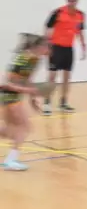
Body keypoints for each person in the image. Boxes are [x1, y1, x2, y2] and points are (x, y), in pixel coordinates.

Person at [0, 34, 49, 171]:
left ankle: (10, 160)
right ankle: (11, 161)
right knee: (24, 127)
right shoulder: (23, 58)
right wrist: (29, 91)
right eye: (46, 46)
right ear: (38, 47)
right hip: (8, 95)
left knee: (10, 130)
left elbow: (27, 79)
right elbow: (7, 84)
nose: (48, 49)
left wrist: (32, 98)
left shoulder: (35, 60)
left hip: (15, 95)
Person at [44, 0, 87, 115]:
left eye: (73, 1)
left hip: (69, 49)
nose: (71, 3)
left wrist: (84, 47)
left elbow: (80, 32)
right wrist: (47, 46)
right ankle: (47, 103)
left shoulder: (80, 15)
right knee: (52, 77)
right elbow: (48, 27)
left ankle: (63, 103)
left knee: (67, 77)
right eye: (69, 1)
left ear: (77, 1)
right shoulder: (57, 12)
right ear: (66, 0)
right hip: (56, 48)